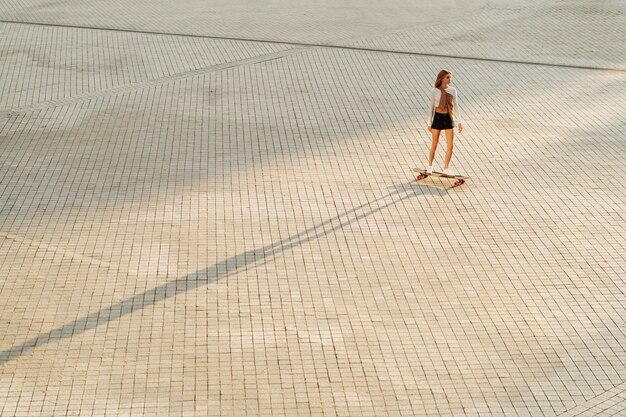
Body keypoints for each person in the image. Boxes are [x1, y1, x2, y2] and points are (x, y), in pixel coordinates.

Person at [424, 69, 463, 175]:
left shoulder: (453, 90)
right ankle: (430, 166)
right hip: (437, 118)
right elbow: (431, 108)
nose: (450, 79)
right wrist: (429, 123)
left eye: (450, 77)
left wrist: (459, 121)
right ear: (441, 78)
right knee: (435, 144)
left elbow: (456, 106)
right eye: (447, 77)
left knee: (450, 145)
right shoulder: (434, 91)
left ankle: (445, 169)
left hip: (448, 118)